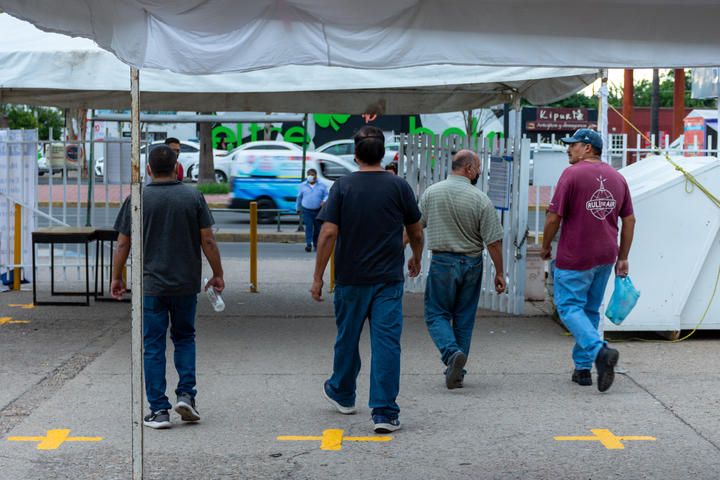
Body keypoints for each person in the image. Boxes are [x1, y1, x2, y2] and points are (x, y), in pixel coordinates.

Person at [311, 126, 424, 433]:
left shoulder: (342, 187)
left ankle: (343, 393)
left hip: (350, 278)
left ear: (356, 154)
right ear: (382, 153)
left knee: (347, 338)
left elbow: (328, 233)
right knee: (387, 343)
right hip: (388, 279)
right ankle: (385, 412)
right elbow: (415, 230)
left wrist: (318, 276)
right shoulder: (399, 187)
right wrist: (416, 255)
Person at [111, 145, 225, 428]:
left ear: (148, 169)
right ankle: (186, 395)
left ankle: (159, 410)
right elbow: (208, 240)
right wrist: (217, 273)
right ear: (177, 168)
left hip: (152, 287)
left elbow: (123, 242)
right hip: (186, 285)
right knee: (185, 338)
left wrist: (117, 276)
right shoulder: (193, 196)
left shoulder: (137, 198)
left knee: (152, 345)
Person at [541, 128, 635, 392]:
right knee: (590, 310)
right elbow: (629, 220)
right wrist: (623, 257)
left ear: (588, 148)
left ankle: (599, 351)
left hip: (576, 254)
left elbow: (552, 217)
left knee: (569, 307)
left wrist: (546, 245)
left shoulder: (572, 174)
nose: (568, 149)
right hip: (605, 255)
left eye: (573, 145)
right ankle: (583, 369)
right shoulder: (618, 177)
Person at [420, 150, 506, 389]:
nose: (479, 172)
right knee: (464, 319)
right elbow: (493, 242)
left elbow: (415, 230)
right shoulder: (480, 199)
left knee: (436, 314)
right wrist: (499, 273)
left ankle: (451, 355)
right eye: (477, 168)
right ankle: (457, 369)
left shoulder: (431, 193)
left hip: (442, 263)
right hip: (471, 264)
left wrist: (413, 257)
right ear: (468, 168)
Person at [296, 168, 329, 252]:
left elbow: (327, 195)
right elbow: (299, 197)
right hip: (306, 210)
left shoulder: (321, 185)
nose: (310, 176)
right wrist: (297, 208)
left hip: (318, 211)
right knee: (309, 226)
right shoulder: (303, 185)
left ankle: (316, 244)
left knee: (317, 228)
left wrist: (324, 201)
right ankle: (308, 244)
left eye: (312, 175)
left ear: (316, 176)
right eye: (309, 175)